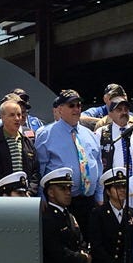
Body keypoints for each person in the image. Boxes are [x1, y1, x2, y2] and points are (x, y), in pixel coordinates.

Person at [35, 89, 104, 233]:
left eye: (79, 105)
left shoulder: (90, 135)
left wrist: (99, 195)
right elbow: (39, 169)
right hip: (61, 202)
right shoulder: (46, 135)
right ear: (60, 109)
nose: (76, 109)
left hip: (89, 201)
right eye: (71, 105)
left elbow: (98, 165)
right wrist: (40, 197)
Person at [87, 168, 133, 263]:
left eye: (124, 186)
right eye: (117, 187)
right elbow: (97, 247)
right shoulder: (98, 214)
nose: (122, 190)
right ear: (108, 191)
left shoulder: (132, 214)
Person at [0, 96, 39, 195]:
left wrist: (30, 192)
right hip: (4, 198)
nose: (17, 118)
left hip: (26, 198)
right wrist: (8, 192)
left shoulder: (28, 142)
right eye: (12, 115)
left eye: (19, 114)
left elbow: (35, 172)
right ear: (2, 117)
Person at [96, 95, 133, 174]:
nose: (124, 112)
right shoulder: (101, 133)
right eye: (119, 110)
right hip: (111, 182)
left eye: (126, 109)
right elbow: (95, 160)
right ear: (110, 113)